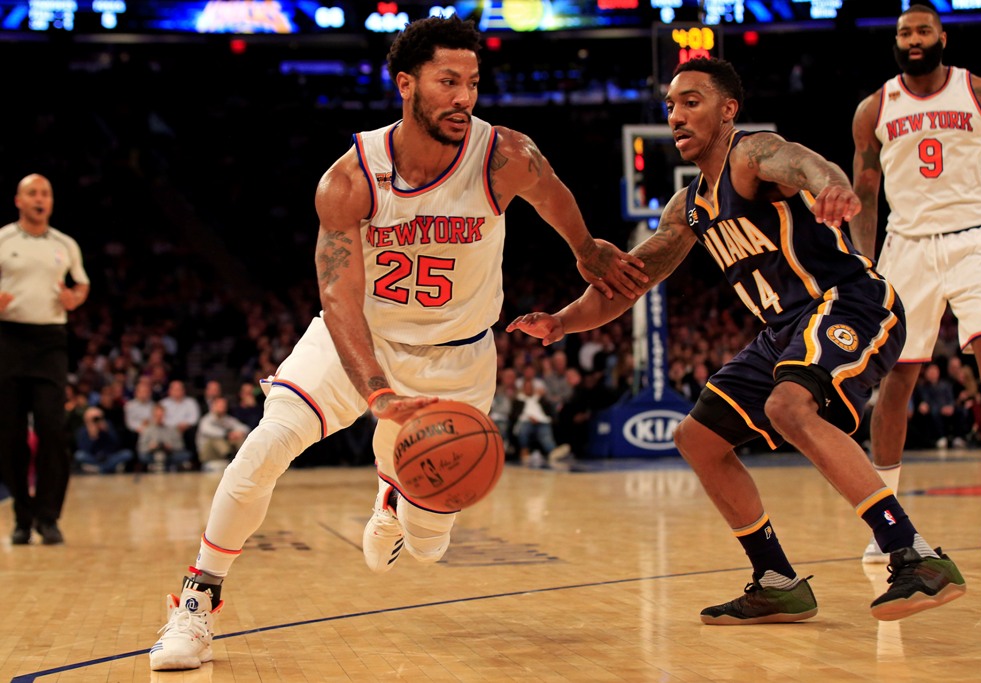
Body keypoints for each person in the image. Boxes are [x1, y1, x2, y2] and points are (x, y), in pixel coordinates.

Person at [149, 15, 645, 671]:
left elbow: (552, 193)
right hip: (357, 340)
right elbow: (338, 297)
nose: (464, 96)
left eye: (472, 81)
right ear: (405, 83)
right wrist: (378, 389)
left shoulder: (504, 157)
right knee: (264, 447)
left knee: (429, 543)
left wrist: (584, 247)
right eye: (447, 81)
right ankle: (197, 601)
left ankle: (396, 494)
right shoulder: (350, 179)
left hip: (458, 359)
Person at [507, 56, 966, 625]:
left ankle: (914, 553)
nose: (676, 115)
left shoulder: (751, 154)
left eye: (691, 102)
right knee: (696, 438)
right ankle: (776, 578)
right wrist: (561, 321)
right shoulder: (688, 207)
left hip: (847, 299)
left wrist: (834, 187)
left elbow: (805, 163)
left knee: (788, 406)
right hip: (783, 331)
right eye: (670, 105)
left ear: (728, 110)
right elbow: (630, 282)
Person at [850, 4, 981, 560]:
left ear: (942, 36)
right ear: (896, 41)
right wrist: (862, 260)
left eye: (923, 30)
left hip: (976, 238)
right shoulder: (874, 108)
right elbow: (865, 191)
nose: (914, 39)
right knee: (896, 381)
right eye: (904, 32)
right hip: (908, 248)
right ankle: (887, 519)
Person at [0, 174, 89, 545]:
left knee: (53, 427)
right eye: (32, 193)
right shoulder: (3, 239)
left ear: (51, 202)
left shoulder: (64, 244)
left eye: (45, 194)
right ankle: (23, 515)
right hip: (8, 338)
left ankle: (49, 516)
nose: (40, 199)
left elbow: (81, 284)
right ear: (19, 200)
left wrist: (74, 299)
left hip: (50, 340)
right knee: (10, 433)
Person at [73, 406, 134, 475]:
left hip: (109, 456)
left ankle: (99, 469)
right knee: (79, 455)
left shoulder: (107, 426)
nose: (96, 421)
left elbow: (117, 444)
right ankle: (108, 468)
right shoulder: (82, 430)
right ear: (86, 419)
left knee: (127, 453)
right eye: (93, 419)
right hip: (93, 457)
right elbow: (84, 449)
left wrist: (107, 432)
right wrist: (93, 437)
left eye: (98, 418)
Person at [195, 396, 251, 471]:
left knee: (239, 438)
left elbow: (245, 428)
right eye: (219, 405)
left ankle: (245, 459)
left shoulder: (227, 419)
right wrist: (227, 434)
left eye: (224, 405)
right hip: (208, 454)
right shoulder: (206, 420)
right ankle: (230, 457)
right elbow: (210, 431)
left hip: (222, 452)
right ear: (213, 406)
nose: (222, 407)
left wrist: (238, 433)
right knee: (217, 439)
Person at [138, 403, 194, 472]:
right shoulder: (147, 430)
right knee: (143, 456)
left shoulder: (172, 429)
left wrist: (171, 446)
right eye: (157, 416)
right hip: (152, 455)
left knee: (186, 454)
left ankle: (163, 465)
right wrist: (150, 447)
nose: (159, 418)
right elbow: (141, 448)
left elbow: (180, 446)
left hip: (170, 455)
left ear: (165, 415)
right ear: (153, 416)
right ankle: (159, 465)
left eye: (161, 416)